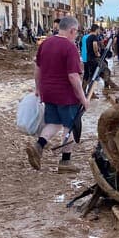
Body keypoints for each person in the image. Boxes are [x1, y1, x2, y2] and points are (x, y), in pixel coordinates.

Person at [25, 15, 89, 175]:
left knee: (54, 123)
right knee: (70, 126)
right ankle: (65, 161)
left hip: (48, 91)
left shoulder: (45, 43)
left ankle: (38, 146)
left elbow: (37, 69)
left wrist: (38, 88)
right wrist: (83, 98)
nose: (76, 36)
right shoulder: (70, 47)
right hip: (65, 94)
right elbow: (73, 76)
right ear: (72, 30)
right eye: (76, 32)